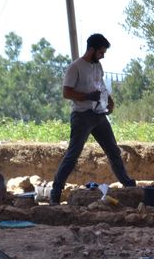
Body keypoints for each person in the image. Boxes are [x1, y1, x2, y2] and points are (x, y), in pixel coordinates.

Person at [50, 33, 135, 204]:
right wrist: (88, 96)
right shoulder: (75, 67)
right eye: (101, 52)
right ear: (91, 49)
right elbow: (66, 92)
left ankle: (128, 185)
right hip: (81, 116)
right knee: (73, 154)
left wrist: (109, 101)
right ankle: (56, 192)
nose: (103, 55)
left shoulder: (98, 66)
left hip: (99, 115)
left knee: (113, 151)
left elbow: (101, 85)